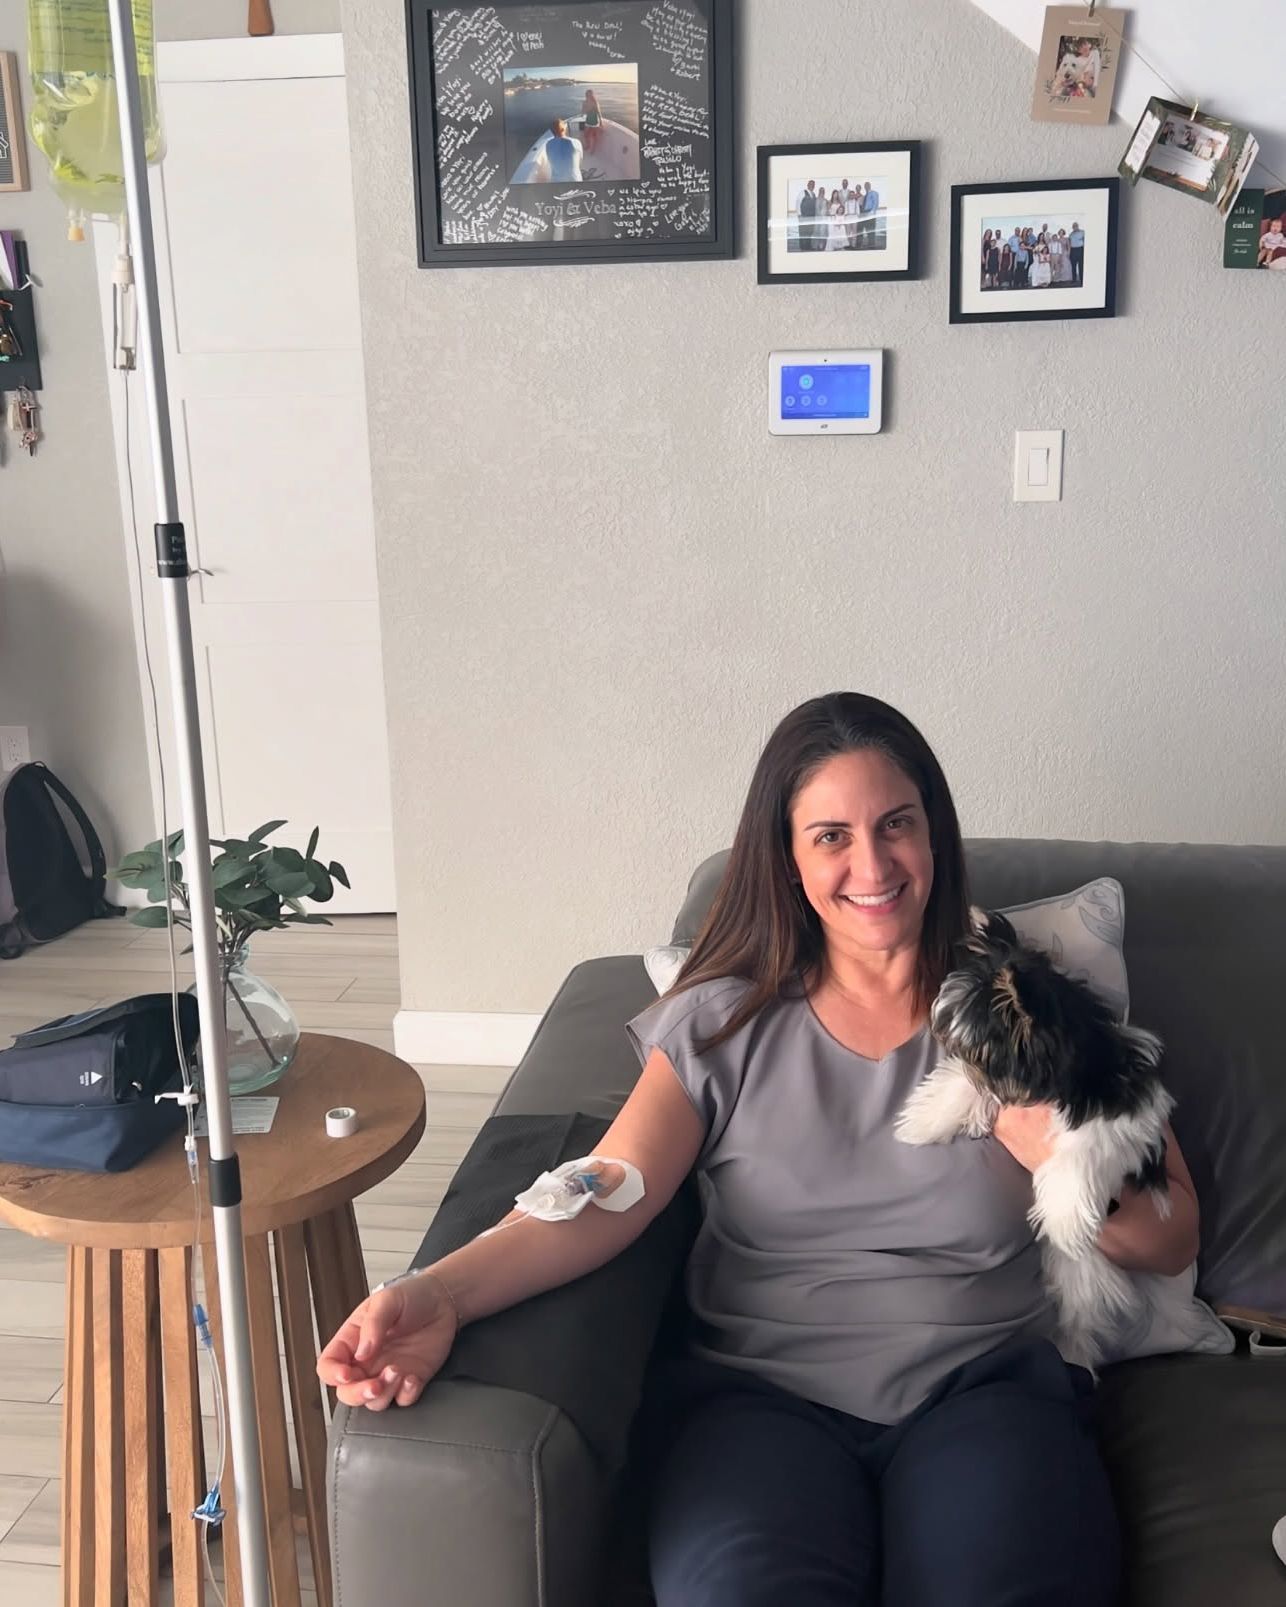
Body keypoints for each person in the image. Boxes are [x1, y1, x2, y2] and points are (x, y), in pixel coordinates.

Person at [318, 692, 1203, 1604]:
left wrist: (1053, 1149)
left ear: (933, 832)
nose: (873, 864)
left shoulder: (1028, 1012)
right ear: (787, 857)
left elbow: (1172, 1238)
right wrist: (438, 1292)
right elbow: (606, 1189)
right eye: (832, 836)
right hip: (758, 1408)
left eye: (896, 824)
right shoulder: (723, 1022)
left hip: (987, 1396)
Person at [544, 117, 583, 183]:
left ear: (552, 132)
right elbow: (580, 160)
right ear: (563, 129)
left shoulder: (548, 144)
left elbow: (550, 160)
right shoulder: (575, 142)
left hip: (556, 182)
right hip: (575, 180)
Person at [580, 88, 603, 157]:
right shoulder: (584, 102)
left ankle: (593, 149)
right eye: (587, 95)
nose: (588, 96)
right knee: (585, 135)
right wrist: (584, 109)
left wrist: (601, 122)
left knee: (594, 136)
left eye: (590, 95)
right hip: (588, 121)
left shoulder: (595, 102)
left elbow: (599, 113)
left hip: (595, 121)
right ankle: (588, 145)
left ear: (592, 95)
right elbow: (583, 112)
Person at [797, 180, 817, 252]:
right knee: (803, 232)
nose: (812, 186)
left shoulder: (813, 194)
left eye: (813, 184)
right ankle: (802, 248)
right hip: (803, 216)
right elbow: (798, 203)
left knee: (809, 232)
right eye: (810, 184)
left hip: (811, 217)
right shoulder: (802, 192)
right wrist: (799, 215)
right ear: (807, 185)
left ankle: (808, 246)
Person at [1070, 220, 1086, 284]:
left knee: (1081, 266)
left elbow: (1085, 240)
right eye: (1073, 226)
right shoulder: (1071, 234)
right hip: (1073, 250)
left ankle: (1082, 280)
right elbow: (1070, 243)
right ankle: (1074, 280)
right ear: (1072, 227)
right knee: (1073, 266)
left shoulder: (1082, 232)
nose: (1074, 227)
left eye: (1075, 225)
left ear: (1078, 226)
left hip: (1080, 249)